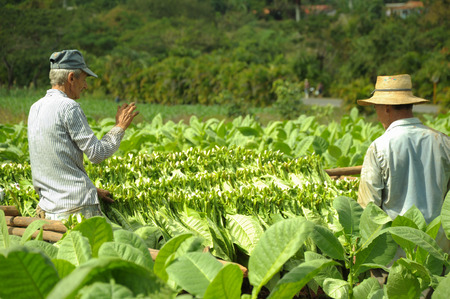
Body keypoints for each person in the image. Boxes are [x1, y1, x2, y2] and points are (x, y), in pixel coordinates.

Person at [28, 49, 139, 220]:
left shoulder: (36, 107)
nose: (85, 86)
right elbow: (97, 154)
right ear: (71, 78)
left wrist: (91, 190)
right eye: (84, 79)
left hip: (47, 209)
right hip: (74, 209)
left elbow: (53, 160)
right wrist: (120, 127)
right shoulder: (68, 107)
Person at [357, 74, 450, 252]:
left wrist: (360, 249)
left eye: (375, 107)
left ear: (386, 108)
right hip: (437, 252)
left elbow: (368, 208)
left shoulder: (379, 147)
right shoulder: (444, 142)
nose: (376, 114)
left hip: (395, 255)